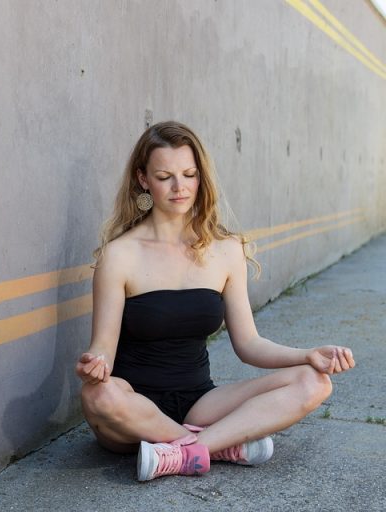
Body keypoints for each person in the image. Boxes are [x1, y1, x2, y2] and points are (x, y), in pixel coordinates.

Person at [75, 121, 355, 482]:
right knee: (97, 396)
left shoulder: (225, 250)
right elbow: (103, 352)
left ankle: (185, 450)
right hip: (133, 410)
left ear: (200, 177)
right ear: (143, 180)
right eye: (165, 177)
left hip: (201, 403)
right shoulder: (120, 255)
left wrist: (307, 355)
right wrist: (92, 366)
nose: (180, 187)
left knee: (314, 382)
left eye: (189, 174)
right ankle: (218, 446)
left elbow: (249, 344)